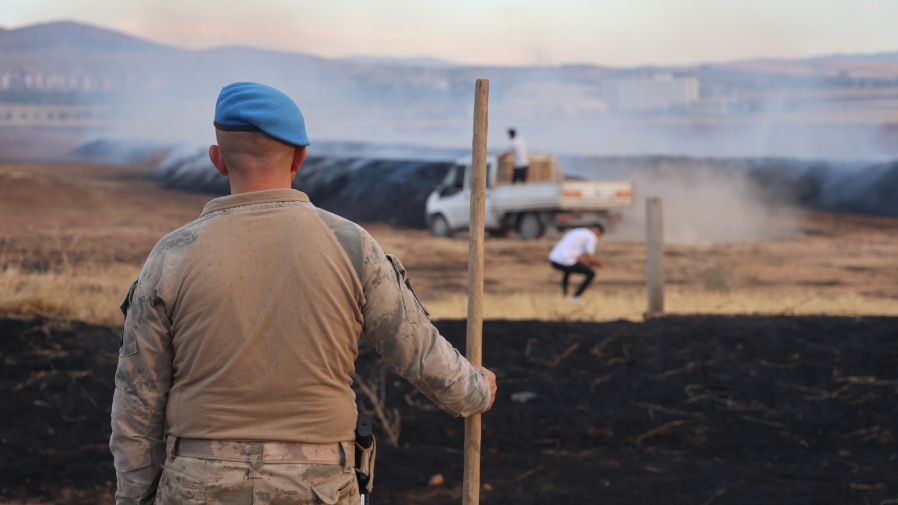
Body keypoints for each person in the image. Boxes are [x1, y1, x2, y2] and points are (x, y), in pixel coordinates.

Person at [109, 82, 497, 505]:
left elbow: (136, 405)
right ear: (300, 157)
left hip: (197, 487)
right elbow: (421, 355)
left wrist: (135, 499)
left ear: (217, 160)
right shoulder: (352, 247)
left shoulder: (171, 258)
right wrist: (474, 389)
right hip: (318, 489)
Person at [548, 224, 606, 303]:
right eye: (599, 235)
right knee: (591, 273)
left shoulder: (577, 231)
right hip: (564, 260)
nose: (598, 237)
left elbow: (573, 254)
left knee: (568, 270)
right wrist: (599, 263)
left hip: (554, 258)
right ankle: (576, 296)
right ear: (597, 231)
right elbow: (590, 258)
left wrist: (584, 261)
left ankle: (565, 296)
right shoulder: (591, 236)